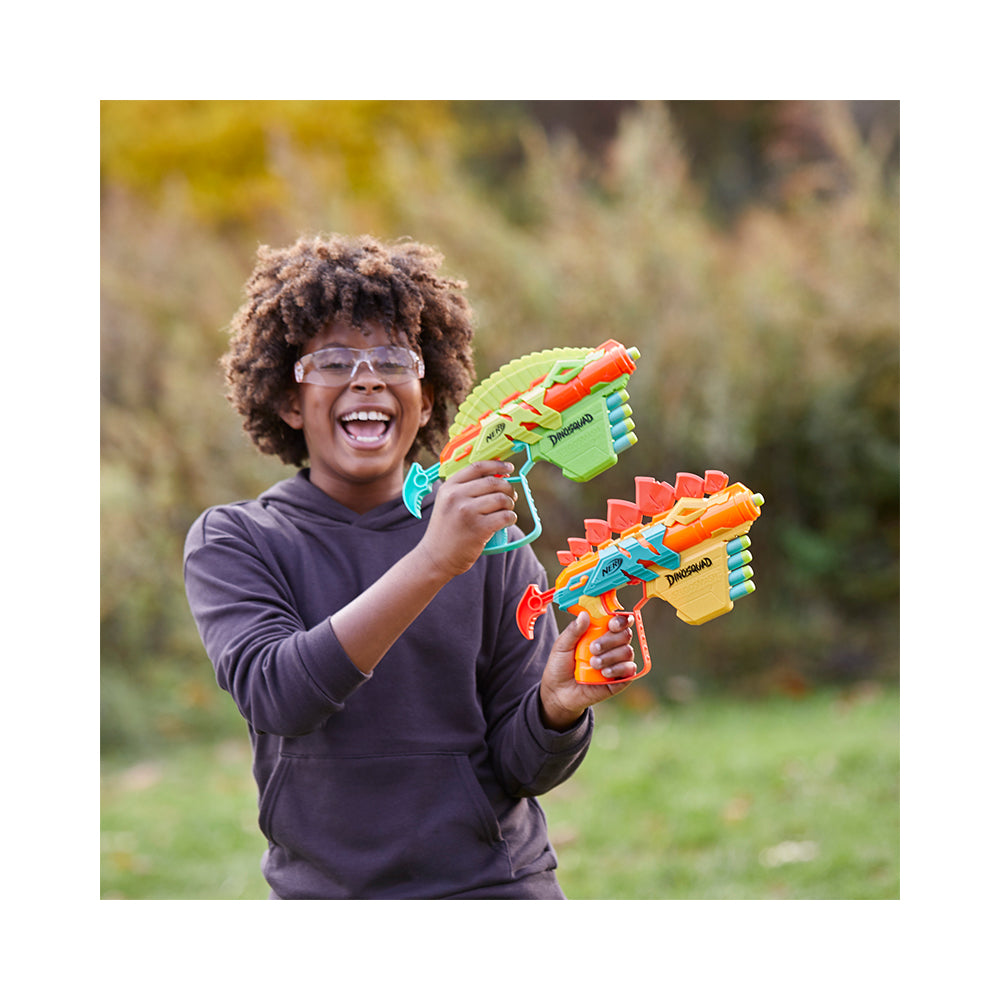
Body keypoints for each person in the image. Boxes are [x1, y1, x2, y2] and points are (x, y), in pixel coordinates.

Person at [183, 233, 638, 899]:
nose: (367, 378)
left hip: (493, 890)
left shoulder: (493, 541)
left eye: (395, 360)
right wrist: (433, 560)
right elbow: (280, 694)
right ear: (288, 400)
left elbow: (523, 768)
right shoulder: (238, 540)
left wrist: (555, 709)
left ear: (427, 399)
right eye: (333, 361)